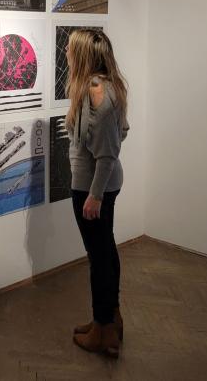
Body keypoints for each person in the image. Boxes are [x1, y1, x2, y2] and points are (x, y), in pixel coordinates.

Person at [65, 29, 129, 359]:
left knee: (98, 258)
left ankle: (103, 332)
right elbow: (122, 133)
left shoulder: (97, 93)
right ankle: (108, 320)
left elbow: (106, 154)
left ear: (83, 55)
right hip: (101, 184)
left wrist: (94, 195)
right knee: (105, 251)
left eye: (71, 49)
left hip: (93, 188)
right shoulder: (106, 86)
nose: (66, 54)